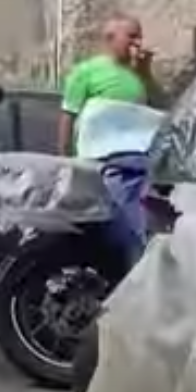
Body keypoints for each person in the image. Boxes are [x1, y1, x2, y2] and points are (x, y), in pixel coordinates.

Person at [59, 15, 164, 273]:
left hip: (143, 162)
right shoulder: (86, 72)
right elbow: (68, 116)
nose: (138, 42)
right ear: (110, 38)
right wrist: (65, 159)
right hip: (107, 162)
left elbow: (158, 107)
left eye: (139, 36)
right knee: (130, 223)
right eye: (131, 36)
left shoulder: (137, 74)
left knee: (151, 221)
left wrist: (146, 73)